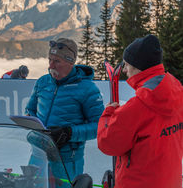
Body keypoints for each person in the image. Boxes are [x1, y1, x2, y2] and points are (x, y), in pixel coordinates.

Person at [97, 34, 183, 188]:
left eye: (126, 65)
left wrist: (109, 113)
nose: (124, 70)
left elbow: (108, 143)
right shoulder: (178, 95)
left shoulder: (137, 106)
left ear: (137, 67)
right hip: (170, 181)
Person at [25, 38, 104, 186]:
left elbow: (100, 126)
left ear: (70, 62)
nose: (50, 65)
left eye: (57, 61)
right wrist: (30, 120)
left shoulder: (87, 89)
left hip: (67, 160)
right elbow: (30, 109)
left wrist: (69, 133)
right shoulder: (42, 82)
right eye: (49, 59)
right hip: (39, 155)